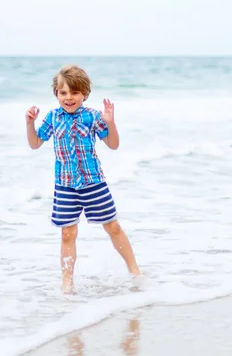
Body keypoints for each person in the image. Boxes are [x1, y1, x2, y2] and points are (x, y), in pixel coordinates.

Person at [25, 64, 141, 294]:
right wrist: (30, 123)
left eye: (75, 92)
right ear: (56, 94)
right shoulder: (53, 117)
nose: (69, 98)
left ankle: (135, 271)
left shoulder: (92, 116)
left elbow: (113, 145)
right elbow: (35, 143)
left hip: (93, 182)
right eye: (63, 92)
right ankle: (67, 284)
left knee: (113, 226)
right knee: (67, 233)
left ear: (85, 94)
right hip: (65, 184)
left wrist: (110, 122)